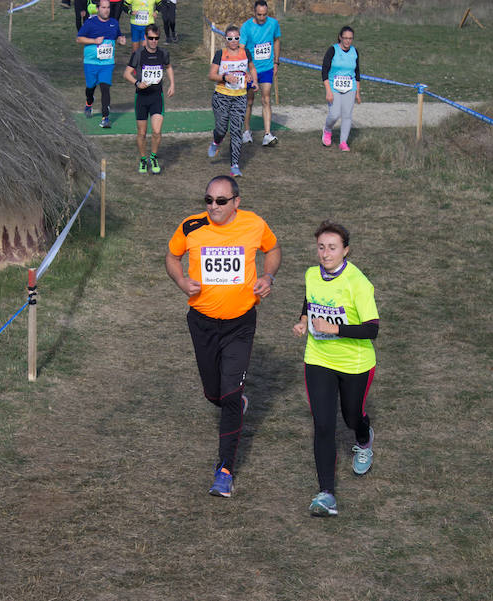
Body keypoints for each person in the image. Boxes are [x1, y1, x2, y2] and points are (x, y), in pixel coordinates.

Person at [166, 176, 281, 498]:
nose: (212, 207)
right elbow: (171, 257)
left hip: (240, 324)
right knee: (213, 394)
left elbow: (272, 249)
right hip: (202, 323)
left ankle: (225, 470)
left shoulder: (254, 225)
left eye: (220, 201)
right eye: (208, 200)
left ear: (236, 202)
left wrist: (268, 275)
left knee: (229, 396)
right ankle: (233, 400)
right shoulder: (190, 227)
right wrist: (180, 280)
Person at [292, 221, 379, 517]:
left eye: (332, 248)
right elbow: (310, 299)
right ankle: (326, 494)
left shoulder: (358, 283)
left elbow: (372, 329)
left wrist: (334, 327)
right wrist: (304, 320)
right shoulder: (311, 274)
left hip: (355, 363)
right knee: (324, 425)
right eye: (321, 247)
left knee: (352, 417)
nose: (325, 254)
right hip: (318, 359)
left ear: (346, 250)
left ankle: (364, 439)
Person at [124, 24, 175, 174]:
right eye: (151, 38)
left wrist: (172, 84)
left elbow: (169, 67)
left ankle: (153, 157)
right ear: (145, 38)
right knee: (142, 133)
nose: (153, 41)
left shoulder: (163, 53)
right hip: (141, 98)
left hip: (156, 97)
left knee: (157, 131)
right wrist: (137, 83)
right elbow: (126, 73)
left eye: (156, 38)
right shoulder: (138, 54)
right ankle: (142, 159)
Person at [208, 25, 257, 178]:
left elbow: (251, 68)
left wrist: (253, 80)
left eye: (236, 38)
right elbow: (211, 75)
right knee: (222, 129)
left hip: (240, 97)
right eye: (230, 38)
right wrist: (225, 77)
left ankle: (235, 165)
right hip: (222, 96)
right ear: (225, 39)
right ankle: (216, 141)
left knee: (236, 131)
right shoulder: (220, 54)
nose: (234, 41)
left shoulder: (245, 52)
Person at [77, 0, 127, 128]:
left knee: (105, 89)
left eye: (108, 8)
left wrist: (121, 39)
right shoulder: (90, 23)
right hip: (91, 63)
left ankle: (105, 118)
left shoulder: (114, 23)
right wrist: (94, 40)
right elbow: (79, 39)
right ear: (98, 8)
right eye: (103, 7)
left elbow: (118, 36)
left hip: (107, 63)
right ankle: (89, 102)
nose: (106, 10)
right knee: (90, 87)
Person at [239, 0, 281, 147]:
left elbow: (276, 40)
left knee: (266, 99)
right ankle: (246, 131)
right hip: (252, 70)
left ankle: (267, 134)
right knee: (249, 101)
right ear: (254, 12)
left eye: (264, 15)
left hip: (267, 68)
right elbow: (241, 48)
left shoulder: (273, 24)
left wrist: (276, 62)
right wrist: (245, 70)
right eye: (259, 15)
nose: (262, 18)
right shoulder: (246, 27)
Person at [321, 26, 361, 151]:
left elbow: (357, 73)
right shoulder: (332, 50)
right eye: (345, 38)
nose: (348, 41)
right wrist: (328, 90)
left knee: (347, 115)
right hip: (334, 86)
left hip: (350, 87)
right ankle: (327, 130)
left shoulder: (355, 52)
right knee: (334, 114)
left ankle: (343, 142)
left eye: (350, 38)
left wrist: (357, 92)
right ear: (340, 37)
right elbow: (324, 71)